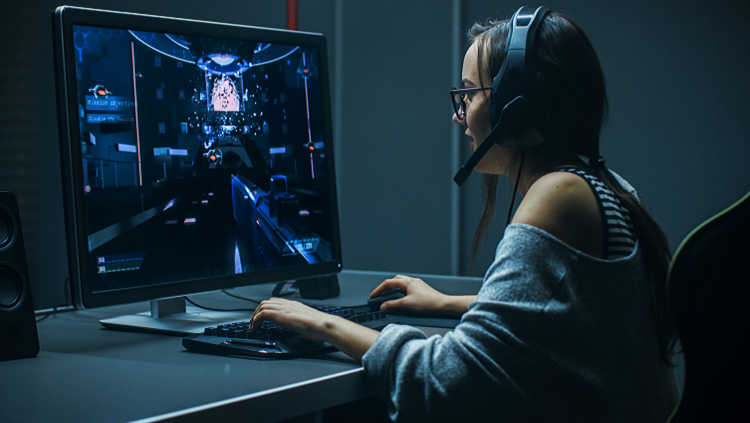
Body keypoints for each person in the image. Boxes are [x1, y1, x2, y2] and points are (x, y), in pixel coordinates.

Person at [251, 9, 680, 422]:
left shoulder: (558, 196)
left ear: (516, 107)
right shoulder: (605, 185)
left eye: (469, 94)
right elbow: (571, 318)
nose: (458, 116)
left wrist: (324, 323)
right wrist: (448, 304)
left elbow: (446, 383)